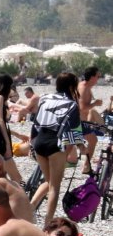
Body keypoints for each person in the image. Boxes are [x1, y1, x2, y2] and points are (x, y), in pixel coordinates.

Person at [30, 72, 87, 227]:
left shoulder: (45, 98)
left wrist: (32, 144)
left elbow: (36, 124)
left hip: (39, 142)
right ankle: (48, 225)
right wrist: (82, 147)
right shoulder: (71, 104)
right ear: (72, 86)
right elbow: (75, 130)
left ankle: (29, 209)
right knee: (55, 187)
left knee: (49, 182)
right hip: (55, 144)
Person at [77, 67, 102, 176]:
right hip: (77, 122)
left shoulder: (85, 86)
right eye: (98, 76)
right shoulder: (83, 88)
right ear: (92, 77)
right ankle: (86, 167)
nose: (98, 78)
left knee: (92, 140)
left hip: (80, 121)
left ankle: (86, 166)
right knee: (93, 140)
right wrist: (95, 104)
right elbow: (82, 108)